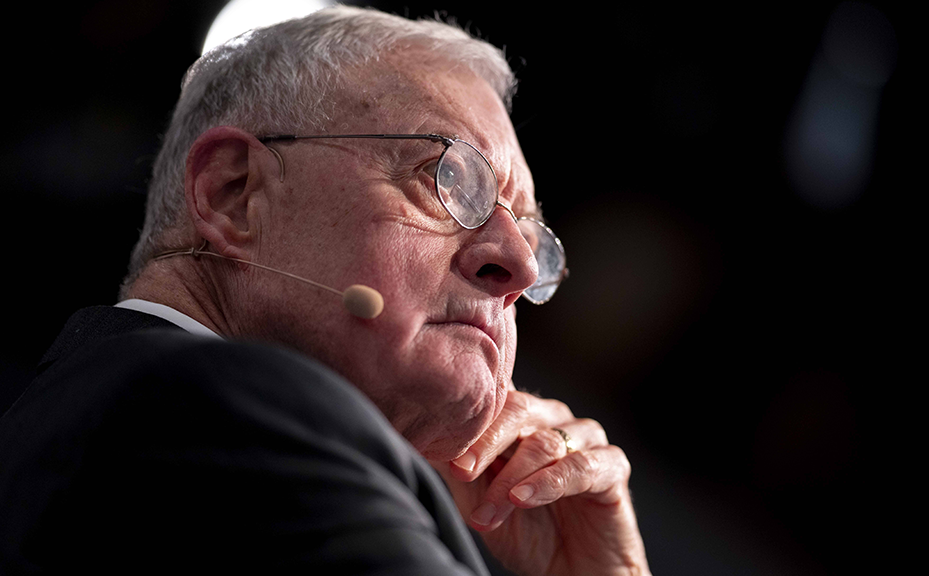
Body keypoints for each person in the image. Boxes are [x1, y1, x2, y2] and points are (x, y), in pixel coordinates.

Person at [0, 6, 650, 575]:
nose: (520, 265)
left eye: (532, 236)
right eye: (448, 180)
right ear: (234, 194)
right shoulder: (220, 405)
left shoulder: (97, 407)